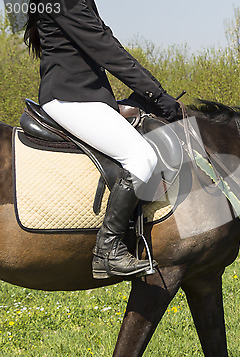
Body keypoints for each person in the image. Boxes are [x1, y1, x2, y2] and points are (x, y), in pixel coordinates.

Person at [24, 0, 179, 279]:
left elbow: (105, 40)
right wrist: (157, 95)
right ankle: (108, 251)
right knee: (141, 157)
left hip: (85, 95)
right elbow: (105, 49)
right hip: (71, 97)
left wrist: (147, 96)